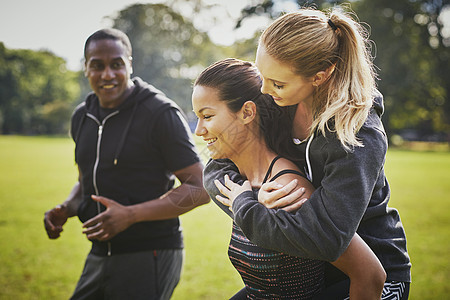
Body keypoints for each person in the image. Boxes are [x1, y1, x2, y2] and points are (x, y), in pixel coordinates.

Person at [204, 7, 411, 300]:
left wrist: (249, 211)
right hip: (307, 271)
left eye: (277, 83)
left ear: (320, 76)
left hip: (372, 275)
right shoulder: (276, 99)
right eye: (262, 75)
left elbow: (327, 239)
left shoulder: (358, 135)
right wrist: (251, 195)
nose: (263, 90)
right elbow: (219, 158)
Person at [194, 58, 386, 299]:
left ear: (247, 112)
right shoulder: (239, 181)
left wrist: (247, 205)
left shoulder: (288, 190)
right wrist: (250, 201)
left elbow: (370, 275)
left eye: (208, 116)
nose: (198, 130)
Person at [43, 28, 210, 300]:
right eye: (97, 65)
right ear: (85, 68)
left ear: (129, 65)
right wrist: (67, 207)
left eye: (117, 64)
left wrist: (130, 215)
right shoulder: (82, 116)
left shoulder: (160, 113)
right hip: (99, 251)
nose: (107, 74)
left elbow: (200, 188)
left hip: (150, 252)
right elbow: (87, 179)